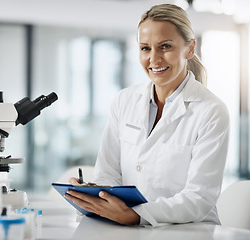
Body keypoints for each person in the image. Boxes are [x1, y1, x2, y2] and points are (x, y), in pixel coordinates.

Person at [65, 3, 229, 227]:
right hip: (129, 229)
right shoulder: (124, 100)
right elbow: (108, 173)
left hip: (190, 231)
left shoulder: (211, 111)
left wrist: (137, 215)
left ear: (190, 48)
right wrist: (95, 195)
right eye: (145, 48)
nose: (154, 59)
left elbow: (199, 197)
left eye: (165, 46)